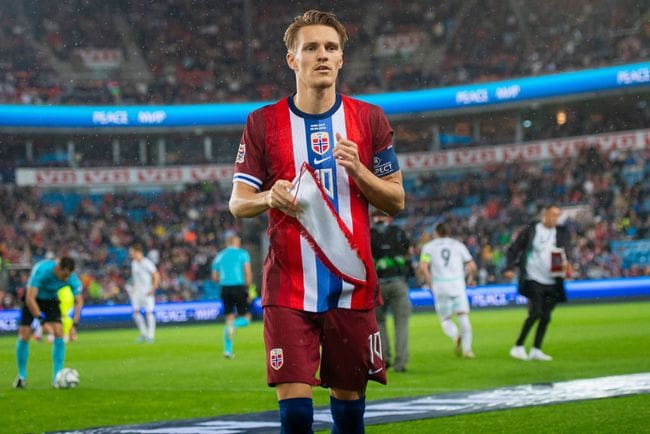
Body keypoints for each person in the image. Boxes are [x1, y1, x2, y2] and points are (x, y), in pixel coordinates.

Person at [228, 10, 405, 434]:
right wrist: (269, 196)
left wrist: (360, 171)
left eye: (331, 47)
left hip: (352, 287)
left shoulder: (370, 119)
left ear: (342, 58)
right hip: (288, 286)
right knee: (295, 413)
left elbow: (396, 200)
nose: (322, 55)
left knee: (349, 411)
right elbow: (238, 202)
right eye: (311, 48)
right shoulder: (262, 123)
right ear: (292, 59)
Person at [503, 204, 573, 361]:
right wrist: (509, 267)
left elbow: (566, 253)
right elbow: (514, 248)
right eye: (553, 215)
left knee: (546, 316)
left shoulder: (561, 233)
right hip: (533, 277)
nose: (555, 218)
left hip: (553, 280)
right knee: (535, 313)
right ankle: (518, 346)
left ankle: (536, 349)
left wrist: (568, 266)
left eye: (557, 215)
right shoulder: (532, 229)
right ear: (545, 214)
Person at [13, 257, 83, 388]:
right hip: (32, 299)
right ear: (58, 268)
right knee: (24, 335)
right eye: (64, 275)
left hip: (51, 299)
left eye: (69, 275)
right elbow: (30, 298)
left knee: (59, 332)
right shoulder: (42, 270)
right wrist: (41, 320)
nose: (66, 278)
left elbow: (79, 301)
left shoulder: (71, 278)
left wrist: (75, 324)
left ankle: (57, 377)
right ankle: (21, 376)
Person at [419, 222, 478, 358]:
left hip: (440, 286)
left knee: (445, 319)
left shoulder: (429, 247)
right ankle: (467, 351)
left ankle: (455, 335)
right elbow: (472, 266)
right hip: (457, 285)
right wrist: (471, 279)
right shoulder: (458, 245)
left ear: (436, 233)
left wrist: (430, 283)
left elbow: (423, 267)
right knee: (463, 316)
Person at [370, 209, 412, 372]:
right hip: (397, 282)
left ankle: (384, 360)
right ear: (388, 218)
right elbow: (408, 253)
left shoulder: (369, 234)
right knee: (401, 323)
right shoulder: (398, 233)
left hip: (378, 284)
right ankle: (400, 363)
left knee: (379, 323)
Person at [212, 232, 253, 358]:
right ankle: (233, 325)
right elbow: (247, 273)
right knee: (246, 318)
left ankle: (228, 351)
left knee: (229, 318)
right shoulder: (242, 254)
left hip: (225, 288)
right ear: (235, 242)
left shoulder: (219, 256)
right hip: (239, 287)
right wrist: (249, 290)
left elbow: (214, 277)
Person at [128, 243, 160, 343]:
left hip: (147, 292)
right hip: (137, 293)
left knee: (149, 312)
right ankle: (143, 334)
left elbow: (156, 274)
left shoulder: (147, 262)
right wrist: (133, 287)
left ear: (137, 252)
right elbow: (135, 278)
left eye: (132, 252)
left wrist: (153, 288)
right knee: (136, 313)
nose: (131, 254)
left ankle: (150, 336)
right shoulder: (133, 263)